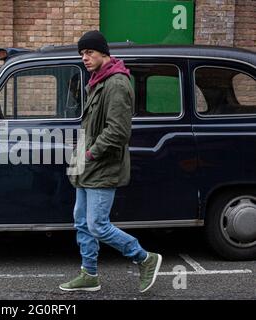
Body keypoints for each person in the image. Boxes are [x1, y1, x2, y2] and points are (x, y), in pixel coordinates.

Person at [60, 30, 162, 293]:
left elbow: (118, 131)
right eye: (82, 53)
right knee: (81, 221)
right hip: (87, 164)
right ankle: (89, 274)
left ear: (104, 53)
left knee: (97, 224)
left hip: (102, 165)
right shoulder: (97, 80)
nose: (85, 57)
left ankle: (145, 258)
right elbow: (93, 125)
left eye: (90, 52)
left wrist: (91, 153)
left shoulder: (116, 83)